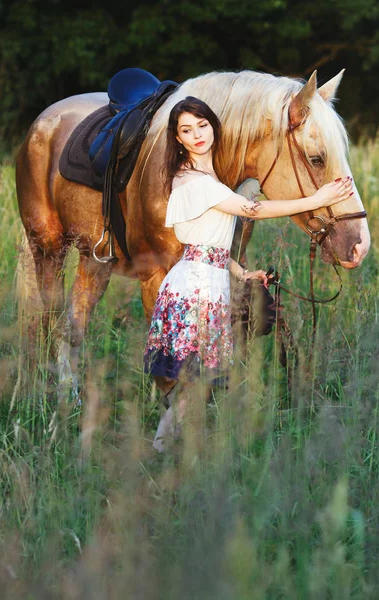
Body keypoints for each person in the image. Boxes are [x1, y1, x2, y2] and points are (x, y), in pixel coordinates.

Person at [143, 96, 353, 451]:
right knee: (196, 376)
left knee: (200, 376)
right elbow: (251, 209)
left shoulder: (209, 176)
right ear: (177, 139)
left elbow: (206, 240)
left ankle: (169, 447)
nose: (196, 135)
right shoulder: (192, 179)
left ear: (213, 126)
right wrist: (317, 199)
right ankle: (162, 449)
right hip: (194, 287)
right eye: (186, 130)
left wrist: (241, 272)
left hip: (206, 277)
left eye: (202, 125)